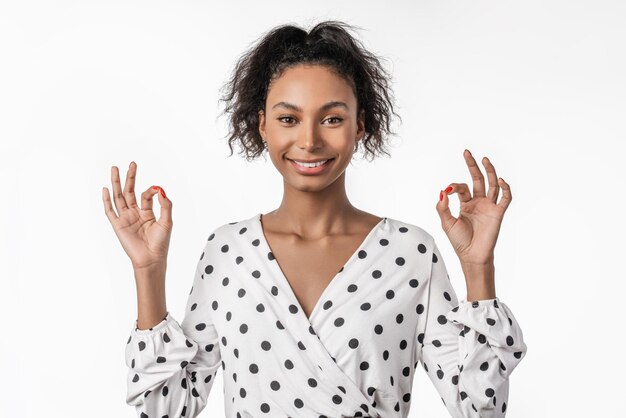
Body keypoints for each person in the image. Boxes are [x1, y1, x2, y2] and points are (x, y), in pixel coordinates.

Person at [103, 20, 527, 418]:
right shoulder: (226, 251)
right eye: (289, 119)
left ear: (360, 126)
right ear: (263, 125)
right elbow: (167, 407)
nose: (309, 140)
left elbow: (479, 408)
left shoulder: (409, 251)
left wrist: (478, 269)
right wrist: (148, 271)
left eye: (332, 119)